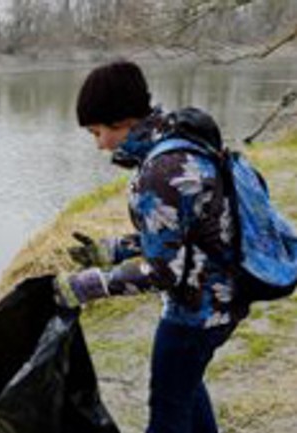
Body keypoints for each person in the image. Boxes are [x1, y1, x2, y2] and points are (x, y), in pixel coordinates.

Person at [56, 60, 249, 433]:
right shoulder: (177, 143)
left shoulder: (161, 171)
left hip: (196, 311)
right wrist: (111, 251)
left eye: (97, 132)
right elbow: (179, 234)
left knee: (168, 407)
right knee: (186, 388)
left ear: (122, 120)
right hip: (222, 295)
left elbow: (164, 271)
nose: (98, 145)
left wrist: (85, 285)